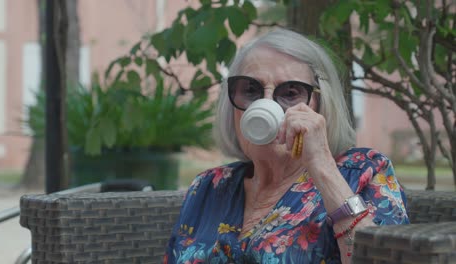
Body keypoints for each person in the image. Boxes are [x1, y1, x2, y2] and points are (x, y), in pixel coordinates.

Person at [164, 28, 409, 264]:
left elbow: (381, 258)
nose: (265, 105)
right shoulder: (209, 186)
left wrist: (322, 168)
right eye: (250, 90)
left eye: (290, 93)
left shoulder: (362, 172)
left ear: (321, 105)